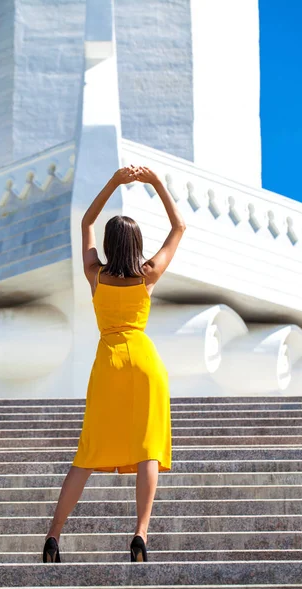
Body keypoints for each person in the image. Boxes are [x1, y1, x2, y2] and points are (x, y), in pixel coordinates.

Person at [43, 164, 186, 563]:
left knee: (87, 453)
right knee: (148, 450)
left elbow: (87, 219)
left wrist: (114, 182)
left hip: (108, 361)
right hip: (144, 362)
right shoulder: (148, 274)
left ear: (109, 243)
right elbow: (179, 228)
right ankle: (140, 532)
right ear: (137, 244)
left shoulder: (95, 274)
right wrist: (155, 181)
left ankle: (54, 536)